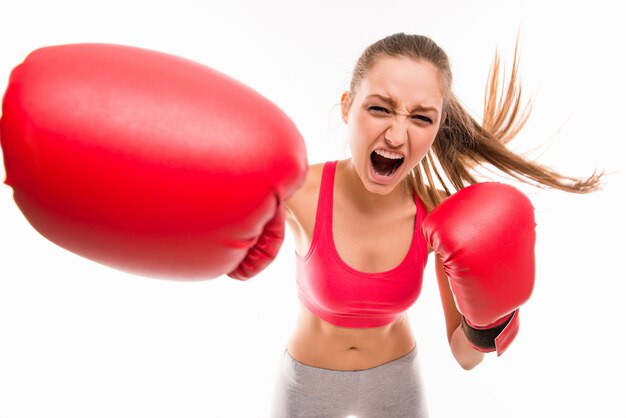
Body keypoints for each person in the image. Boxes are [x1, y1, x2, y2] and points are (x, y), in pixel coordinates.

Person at [268, 33, 602, 418]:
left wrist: (492, 315)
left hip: (395, 382)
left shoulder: (439, 211)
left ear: (439, 126)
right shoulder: (297, 190)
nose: (396, 136)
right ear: (347, 107)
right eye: (380, 109)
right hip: (311, 382)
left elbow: (465, 357)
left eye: (421, 117)